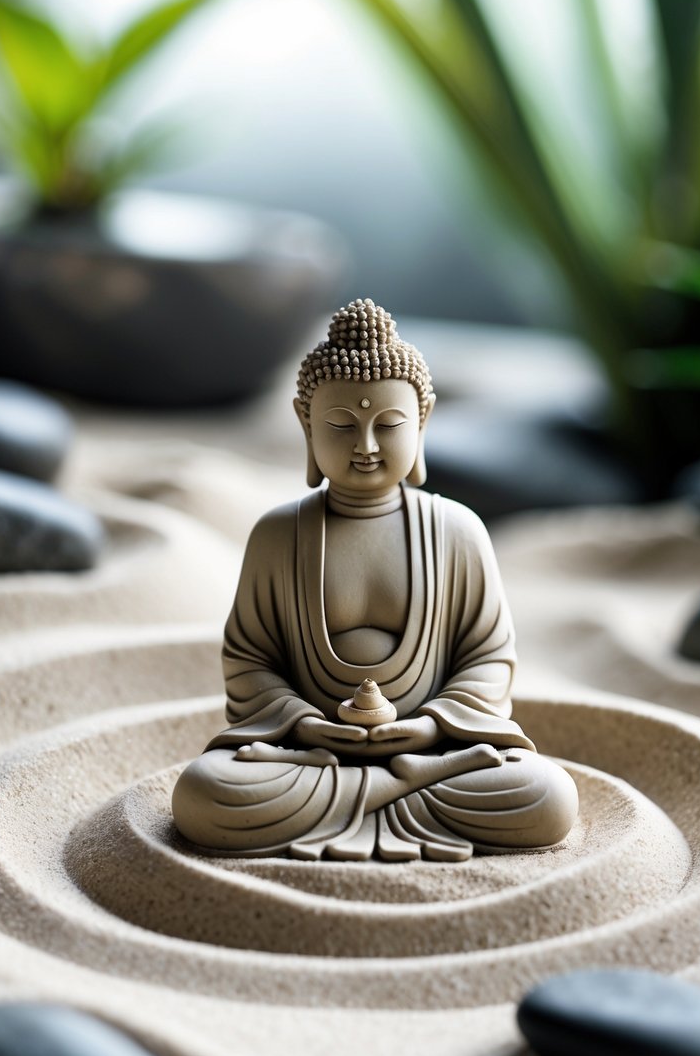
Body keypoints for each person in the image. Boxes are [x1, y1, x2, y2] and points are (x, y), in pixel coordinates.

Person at [172, 300, 578, 861]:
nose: (365, 446)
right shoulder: (277, 534)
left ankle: (379, 791)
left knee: (546, 794)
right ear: (305, 422)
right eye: (341, 426)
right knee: (204, 792)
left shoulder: (457, 531)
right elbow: (250, 660)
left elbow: (488, 659)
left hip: (432, 752)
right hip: (312, 755)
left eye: (388, 426)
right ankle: (394, 790)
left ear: (424, 421)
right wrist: (306, 725)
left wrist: (434, 728)